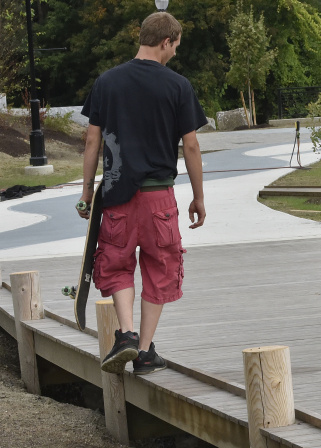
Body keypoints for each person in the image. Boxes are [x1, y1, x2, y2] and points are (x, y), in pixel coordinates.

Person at [77, 11, 207, 375]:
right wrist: (198, 196)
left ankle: (127, 335)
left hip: (116, 196)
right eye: (175, 47)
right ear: (166, 41)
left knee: (117, 265)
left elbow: (91, 140)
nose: (175, 54)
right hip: (158, 199)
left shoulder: (107, 81)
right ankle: (145, 350)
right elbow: (192, 147)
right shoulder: (178, 85)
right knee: (161, 268)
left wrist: (87, 193)